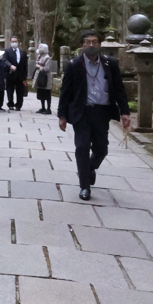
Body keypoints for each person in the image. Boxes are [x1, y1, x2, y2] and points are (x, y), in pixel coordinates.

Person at [57, 29, 131, 201]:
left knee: (101, 149)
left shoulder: (110, 63)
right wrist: (62, 116)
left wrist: (125, 112)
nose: (91, 45)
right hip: (81, 112)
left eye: (94, 42)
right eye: (87, 42)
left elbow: (119, 89)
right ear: (82, 45)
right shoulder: (74, 65)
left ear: (100, 44)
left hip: (101, 112)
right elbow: (65, 92)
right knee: (82, 147)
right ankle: (84, 186)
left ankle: (89, 168)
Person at [3, 36, 29, 110]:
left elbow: (25, 64)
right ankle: (10, 103)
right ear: (10, 42)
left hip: (20, 75)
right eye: (12, 41)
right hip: (10, 74)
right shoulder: (7, 51)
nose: (14, 43)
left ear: (18, 42)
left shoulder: (22, 52)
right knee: (10, 90)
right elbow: (5, 60)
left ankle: (19, 105)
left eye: (15, 41)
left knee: (20, 91)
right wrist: (10, 66)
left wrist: (25, 76)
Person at [34, 43, 53, 114]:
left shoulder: (47, 57)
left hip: (45, 77)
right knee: (41, 92)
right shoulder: (39, 56)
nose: (38, 49)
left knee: (47, 93)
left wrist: (38, 66)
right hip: (39, 76)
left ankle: (48, 108)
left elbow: (47, 68)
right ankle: (43, 107)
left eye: (39, 47)